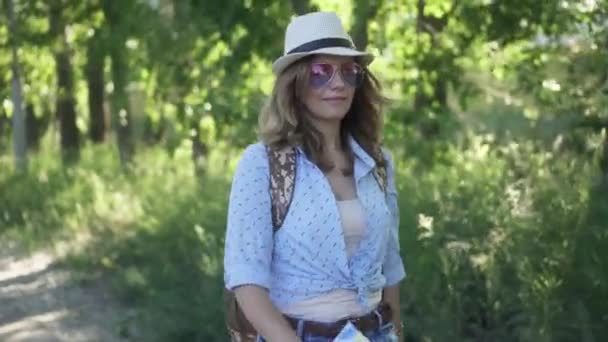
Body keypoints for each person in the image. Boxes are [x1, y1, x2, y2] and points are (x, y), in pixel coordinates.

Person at [223, 11, 406, 342]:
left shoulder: (379, 164)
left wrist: (393, 333)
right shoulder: (262, 165)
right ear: (295, 83)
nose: (337, 83)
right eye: (321, 71)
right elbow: (246, 278)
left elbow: (390, 266)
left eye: (349, 71)